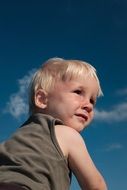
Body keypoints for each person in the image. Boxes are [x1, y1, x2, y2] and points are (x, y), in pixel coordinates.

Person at [0, 57, 107, 190]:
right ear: (42, 99)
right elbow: (96, 186)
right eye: (78, 92)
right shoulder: (67, 134)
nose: (89, 106)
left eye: (92, 101)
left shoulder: (13, 140)